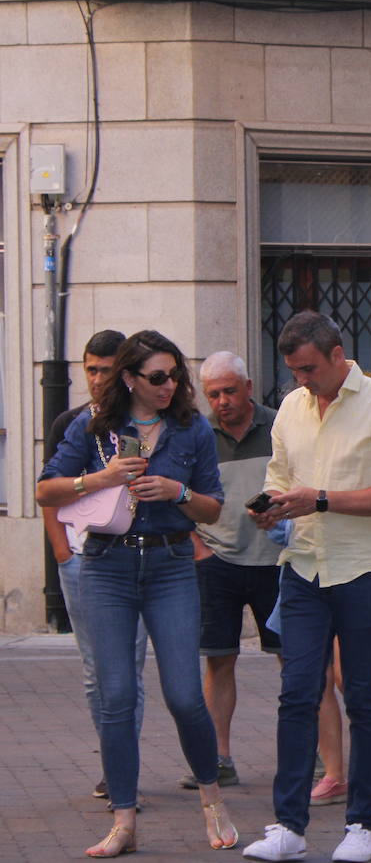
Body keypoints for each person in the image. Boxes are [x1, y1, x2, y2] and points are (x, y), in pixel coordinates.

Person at [37, 330, 236, 857]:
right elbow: (45, 490)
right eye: (156, 377)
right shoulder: (92, 426)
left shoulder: (191, 429)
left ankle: (212, 798)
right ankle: (123, 820)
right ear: (129, 378)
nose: (169, 385)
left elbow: (213, 507)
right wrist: (98, 480)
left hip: (171, 564)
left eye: (174, 375)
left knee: (185, 695)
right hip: (107, 566)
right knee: (116, 696)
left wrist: (179, 492)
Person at [242, 312, 371, 863]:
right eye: (294, 371)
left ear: (338, 354)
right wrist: (270, 509)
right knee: (297, 693)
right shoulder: (292, 408)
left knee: (364, 695)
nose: (302, 380)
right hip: (302, 565)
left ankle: (363, 825)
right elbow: (277, 476)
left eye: (310, 369)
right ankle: (288, 826)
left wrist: (320, 498)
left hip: (364, 567)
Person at [40, 329, 145, 804]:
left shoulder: (145, 422)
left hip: (136, 556)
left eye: (107, 369)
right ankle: (112, 759)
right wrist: (62, 553)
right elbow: (49, 489)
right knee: (94, 671)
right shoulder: (71, 422)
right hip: (82, 558)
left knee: (129, 669)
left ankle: (123, 769)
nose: (98, 379)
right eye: (91, 369)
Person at [182, 351, 279, 791]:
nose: (221, 401)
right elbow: (174, 497)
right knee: (218, 660)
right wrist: (197, 546)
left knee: (295, 661)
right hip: (216, 561)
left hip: (276, 561)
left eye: (229, 391)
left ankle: (315, 753)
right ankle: (218, 758)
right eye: (212, 394)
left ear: (249, 388)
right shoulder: (195, 435)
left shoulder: (279, 426)